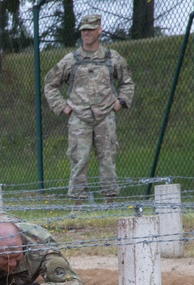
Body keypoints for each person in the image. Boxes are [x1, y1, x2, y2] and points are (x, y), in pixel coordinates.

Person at [43, 14, 135, 204]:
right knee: (79, 160)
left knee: (108, 159)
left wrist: (121, 102)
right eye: (84, 30)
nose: (86, 33)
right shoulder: (71, 60)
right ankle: (78, 205)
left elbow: (128, 82)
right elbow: (49, 84)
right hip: (79, 118)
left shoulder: (112, 58)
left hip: (105, 117)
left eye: (90, 30)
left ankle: (110, 203)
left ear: (99, 31)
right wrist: (63, 107)